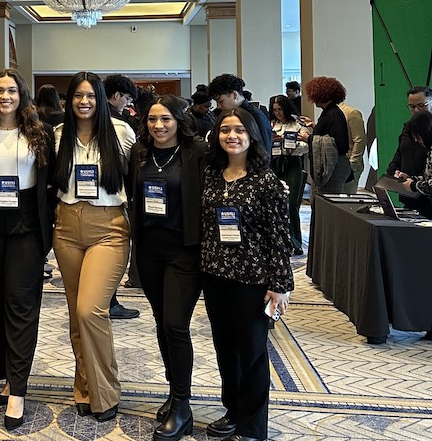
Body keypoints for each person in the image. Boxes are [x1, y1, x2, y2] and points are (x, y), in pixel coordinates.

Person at [200, 108, 293, 441]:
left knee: (251, 352)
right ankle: (233, 411)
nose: (232, 136)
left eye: (239, 130)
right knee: (225, 348)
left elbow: (280, 235)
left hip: (253, 278)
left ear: (252, 135)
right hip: (215, 274)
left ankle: (253, 426)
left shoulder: (266, 180)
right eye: (225, 130)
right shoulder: (212, 174)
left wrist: (280, 284)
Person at [0, 70, 55, 429]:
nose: (5, 96)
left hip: (27, 224)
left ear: (22, 94)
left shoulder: (41, 132)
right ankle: (6, 373)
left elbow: (50, 184)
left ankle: (18, 388)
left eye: (11, 90)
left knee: (20, 305)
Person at [52, 72, 136, 422]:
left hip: (109, 227)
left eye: (90, 96)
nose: (84, 102)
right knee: (76, 315)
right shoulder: (58, 135)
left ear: (101, 99)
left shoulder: (122, 133)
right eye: (77, 96)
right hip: (68, 226)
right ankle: (84, 387)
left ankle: (105, 392)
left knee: (91, 310)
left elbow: (139, 178)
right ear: (69, 101)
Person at [127, 95, 206, 440]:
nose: (158, 126)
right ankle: (174, 394)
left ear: (179, 120)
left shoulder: (197, 153)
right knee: (162, 323)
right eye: (152, 120)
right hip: (149, 251)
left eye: (166, 119)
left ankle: (184, 405)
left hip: (184, 252)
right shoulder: (139, 154)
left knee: (176, 324)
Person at [102, 74, 141, 320]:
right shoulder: (120, 126)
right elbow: (132, 164)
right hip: (114, 200)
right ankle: (110, 300)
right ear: (116, 95)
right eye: (126, 98)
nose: (127, 103)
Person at [269, 95, 309, 256]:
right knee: (275, 204)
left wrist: (289, 144)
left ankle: (295, 242)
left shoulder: (298, 123)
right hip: (275, 164)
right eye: (275, 110)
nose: (278, 113)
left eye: (280, 109)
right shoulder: (271, 124)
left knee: (292, 204)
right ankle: (277, 241)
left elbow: (307, 145)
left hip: (293, 164)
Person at [302, 77, 352, 196]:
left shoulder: (332, 114)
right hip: (331, 165)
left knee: (326, 203)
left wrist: (308, 138)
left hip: (333, 167)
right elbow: (329, 135)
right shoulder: (331, 112)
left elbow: (336, 143)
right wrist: (315, 126)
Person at [388, 87, 432, 216]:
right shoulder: (408, 127)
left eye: (421, 105)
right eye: (412, 107)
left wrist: (414, 184)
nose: (416, 110)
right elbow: (399, 155)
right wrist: (396, 172)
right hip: (410, 196)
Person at [208, 74, 273, 153]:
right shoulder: (222, 114)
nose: (218, 106)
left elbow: (265, 150)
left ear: (234, 95)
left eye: (221, 101)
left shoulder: (256, 116)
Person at [338, 101, 366, 194]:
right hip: (336, 165)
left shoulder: (351, 113)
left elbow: (360, 140)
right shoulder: (331, 113)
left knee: (346, 202)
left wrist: (352, 165)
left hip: (349, 163)